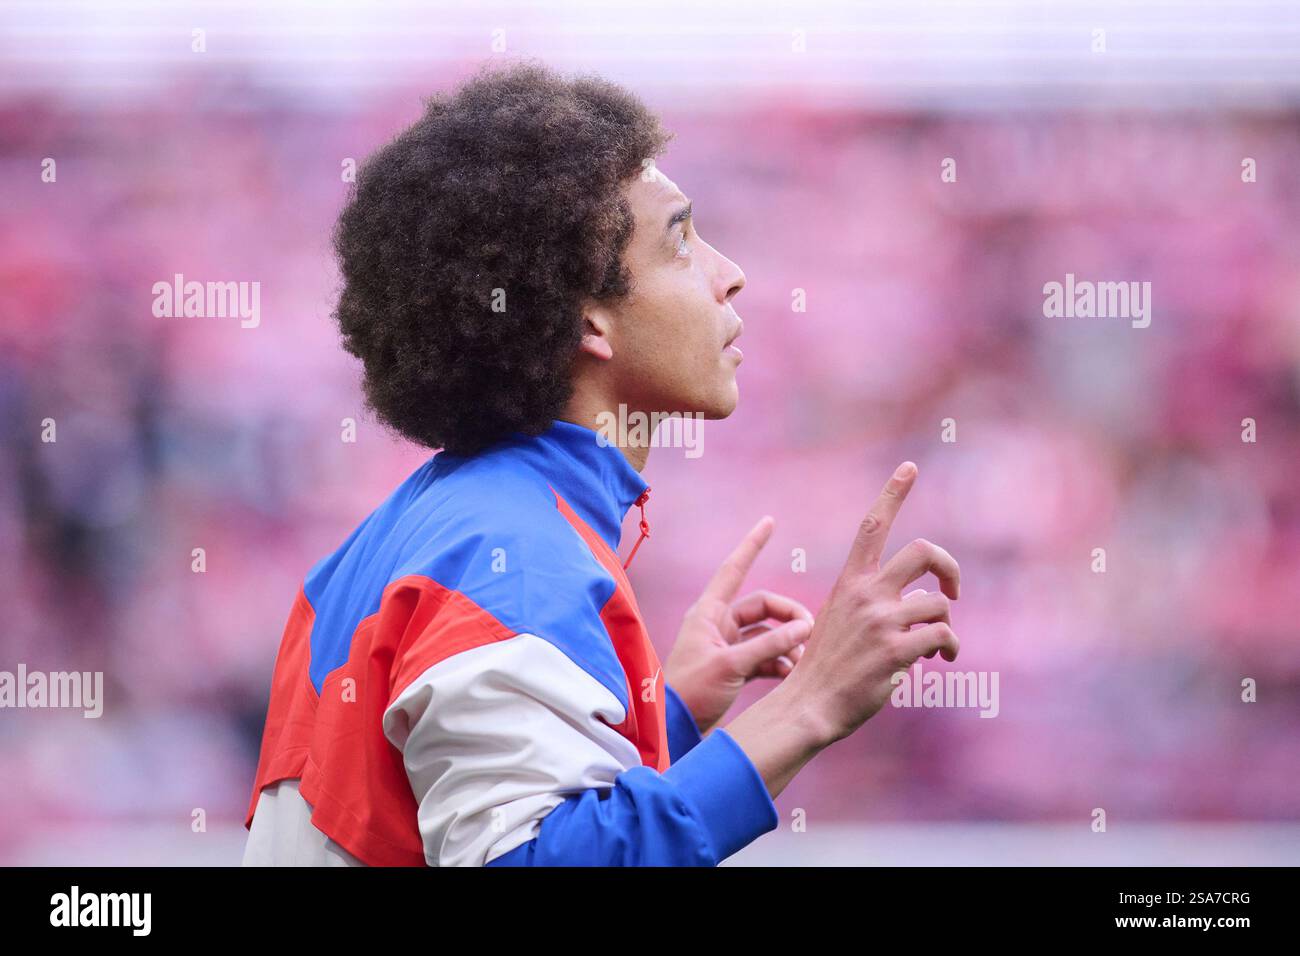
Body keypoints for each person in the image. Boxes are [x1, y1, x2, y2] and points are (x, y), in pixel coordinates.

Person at [242, 60, 961, 867]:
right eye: (681, 243)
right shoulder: (508, 556)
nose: (731, 275)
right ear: (589, 320)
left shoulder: (436, 525)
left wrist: (667, 708)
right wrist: (810, 703)